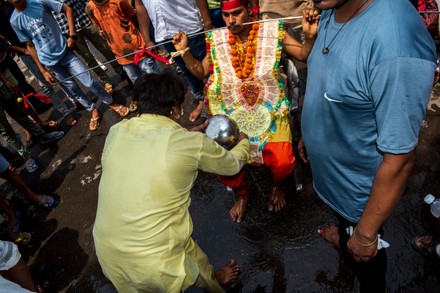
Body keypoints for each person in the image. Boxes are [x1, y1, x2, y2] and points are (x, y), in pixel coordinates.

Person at [298, 0, 436, 292]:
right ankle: (345, 236)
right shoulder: (331, 6)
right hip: (333, 180)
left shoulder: (396, 45)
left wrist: (365, 233)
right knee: (347, 227)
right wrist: (310, 133)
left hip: (360, 196)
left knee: (368, 261)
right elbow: (331, 83)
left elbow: (399, 159)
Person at [93, 71, 250, 292]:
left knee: (188, 255)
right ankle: (214, 286)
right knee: (184, 253)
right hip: (155, 263)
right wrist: (243, 141)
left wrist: (184, 136)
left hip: (108, 253)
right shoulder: (189, 143)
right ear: (176, 110)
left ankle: (210, 278)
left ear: (138, 103)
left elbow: (151, 148)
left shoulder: (117, 131)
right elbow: (232, 164)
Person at [172, 0, 319, 223]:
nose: (231, 21)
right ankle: (243, 194)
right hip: (231, 110)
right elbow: (201, 71)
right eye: (226, 15)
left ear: (250, 10)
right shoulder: (218, 39)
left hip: (269, 108)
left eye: (237, 13)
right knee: (220, 157)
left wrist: (309, 37)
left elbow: (303, 55)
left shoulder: (271, 30)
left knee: (281, 160)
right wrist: (184, 50)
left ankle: (277, 185)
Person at [8, 0, 130, 132]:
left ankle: (110, 102)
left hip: (65, 52)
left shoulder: (39, 2)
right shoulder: (14, 20)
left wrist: (72, 36)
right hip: (50, 62)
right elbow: (30, 45)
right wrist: (43, 71)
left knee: (88, 81)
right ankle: (92, 109)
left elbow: (67, 9)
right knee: (73, 89)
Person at [135, 0, 213, 122]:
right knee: (186, 70)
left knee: (207, 68)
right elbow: (140, 6)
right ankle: (202, 100)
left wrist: (207, 22)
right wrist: (147, 38)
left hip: (190, 28)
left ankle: (215, 99)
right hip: (166, 35)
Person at [85, 0, 160, 111]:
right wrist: (102, 32)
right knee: (135, 79)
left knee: (152, 74)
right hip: (120, 54)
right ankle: (150, 101)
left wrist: (146, 39)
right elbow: (99, 26)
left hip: (137, 46)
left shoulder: (118, 1)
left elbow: (135, 17)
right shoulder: (90, 8)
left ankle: (165, 95)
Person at [52, 0, 133, 94]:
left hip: (85, 19)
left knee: (105, 47)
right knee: (88, 57)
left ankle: (120, 70)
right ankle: (105, 81)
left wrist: (95, 15)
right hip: (67, 28)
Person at [0, 70, 64, 173]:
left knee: (21, 115)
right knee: (5, 131)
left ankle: (43, 136)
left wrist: (6, 81)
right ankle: (26, 156)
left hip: (1, 88)